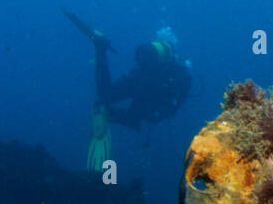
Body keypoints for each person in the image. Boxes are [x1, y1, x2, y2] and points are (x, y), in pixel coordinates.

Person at [64, 10, 192, 169]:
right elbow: (168, 108)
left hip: (140, 80)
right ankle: (108, 114)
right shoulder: (180, 73)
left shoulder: (146, 69)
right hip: (149, 95)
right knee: (141, 116)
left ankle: (100, 47)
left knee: (105, 96)